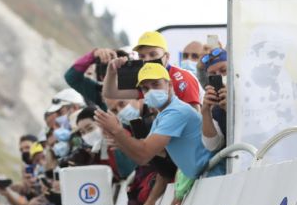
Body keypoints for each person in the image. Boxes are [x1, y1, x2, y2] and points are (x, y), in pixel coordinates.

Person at [95, 63, 224, 179]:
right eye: (145, 88)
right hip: (204, 178)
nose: (151, 91)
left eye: (156, 84)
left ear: (169, 85)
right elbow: (149, 156)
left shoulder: (176, 112)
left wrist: (117, 131)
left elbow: (143, 154)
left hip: (214, 176)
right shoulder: (163, 115)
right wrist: (119, 138)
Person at [103, 31, 201, 110]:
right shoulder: (145, 80)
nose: (147, 60)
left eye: (153, 54)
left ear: (167, 56)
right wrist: (111, 71)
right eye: (142, 56)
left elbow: (195, 118)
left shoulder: (183, 79)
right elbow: (111, 93)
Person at [200, 48, 228, 152]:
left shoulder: (251, 96)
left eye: (224, 70)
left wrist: (230, 110)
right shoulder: (216, 107)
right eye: (213, 74)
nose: (219, 76)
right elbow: (212, 146)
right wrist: (206, 112)